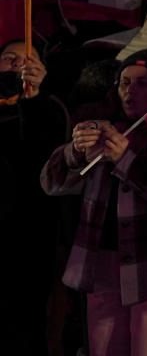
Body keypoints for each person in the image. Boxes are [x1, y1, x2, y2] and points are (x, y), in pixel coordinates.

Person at [40, 49, 147, 356]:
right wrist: (74, 153)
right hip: (102, 264)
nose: (130, 90)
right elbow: (50, 183)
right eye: (125, 82)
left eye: (143, 83)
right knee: (104, 348)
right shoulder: (102, 126)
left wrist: (124, 159)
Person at [0, 40, 70, 354]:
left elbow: (47, 156)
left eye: (27, 59)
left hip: (27, 236)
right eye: (8, 58)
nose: (17, 64)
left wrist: (33, 97)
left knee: (24, 325)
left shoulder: (51, 108)